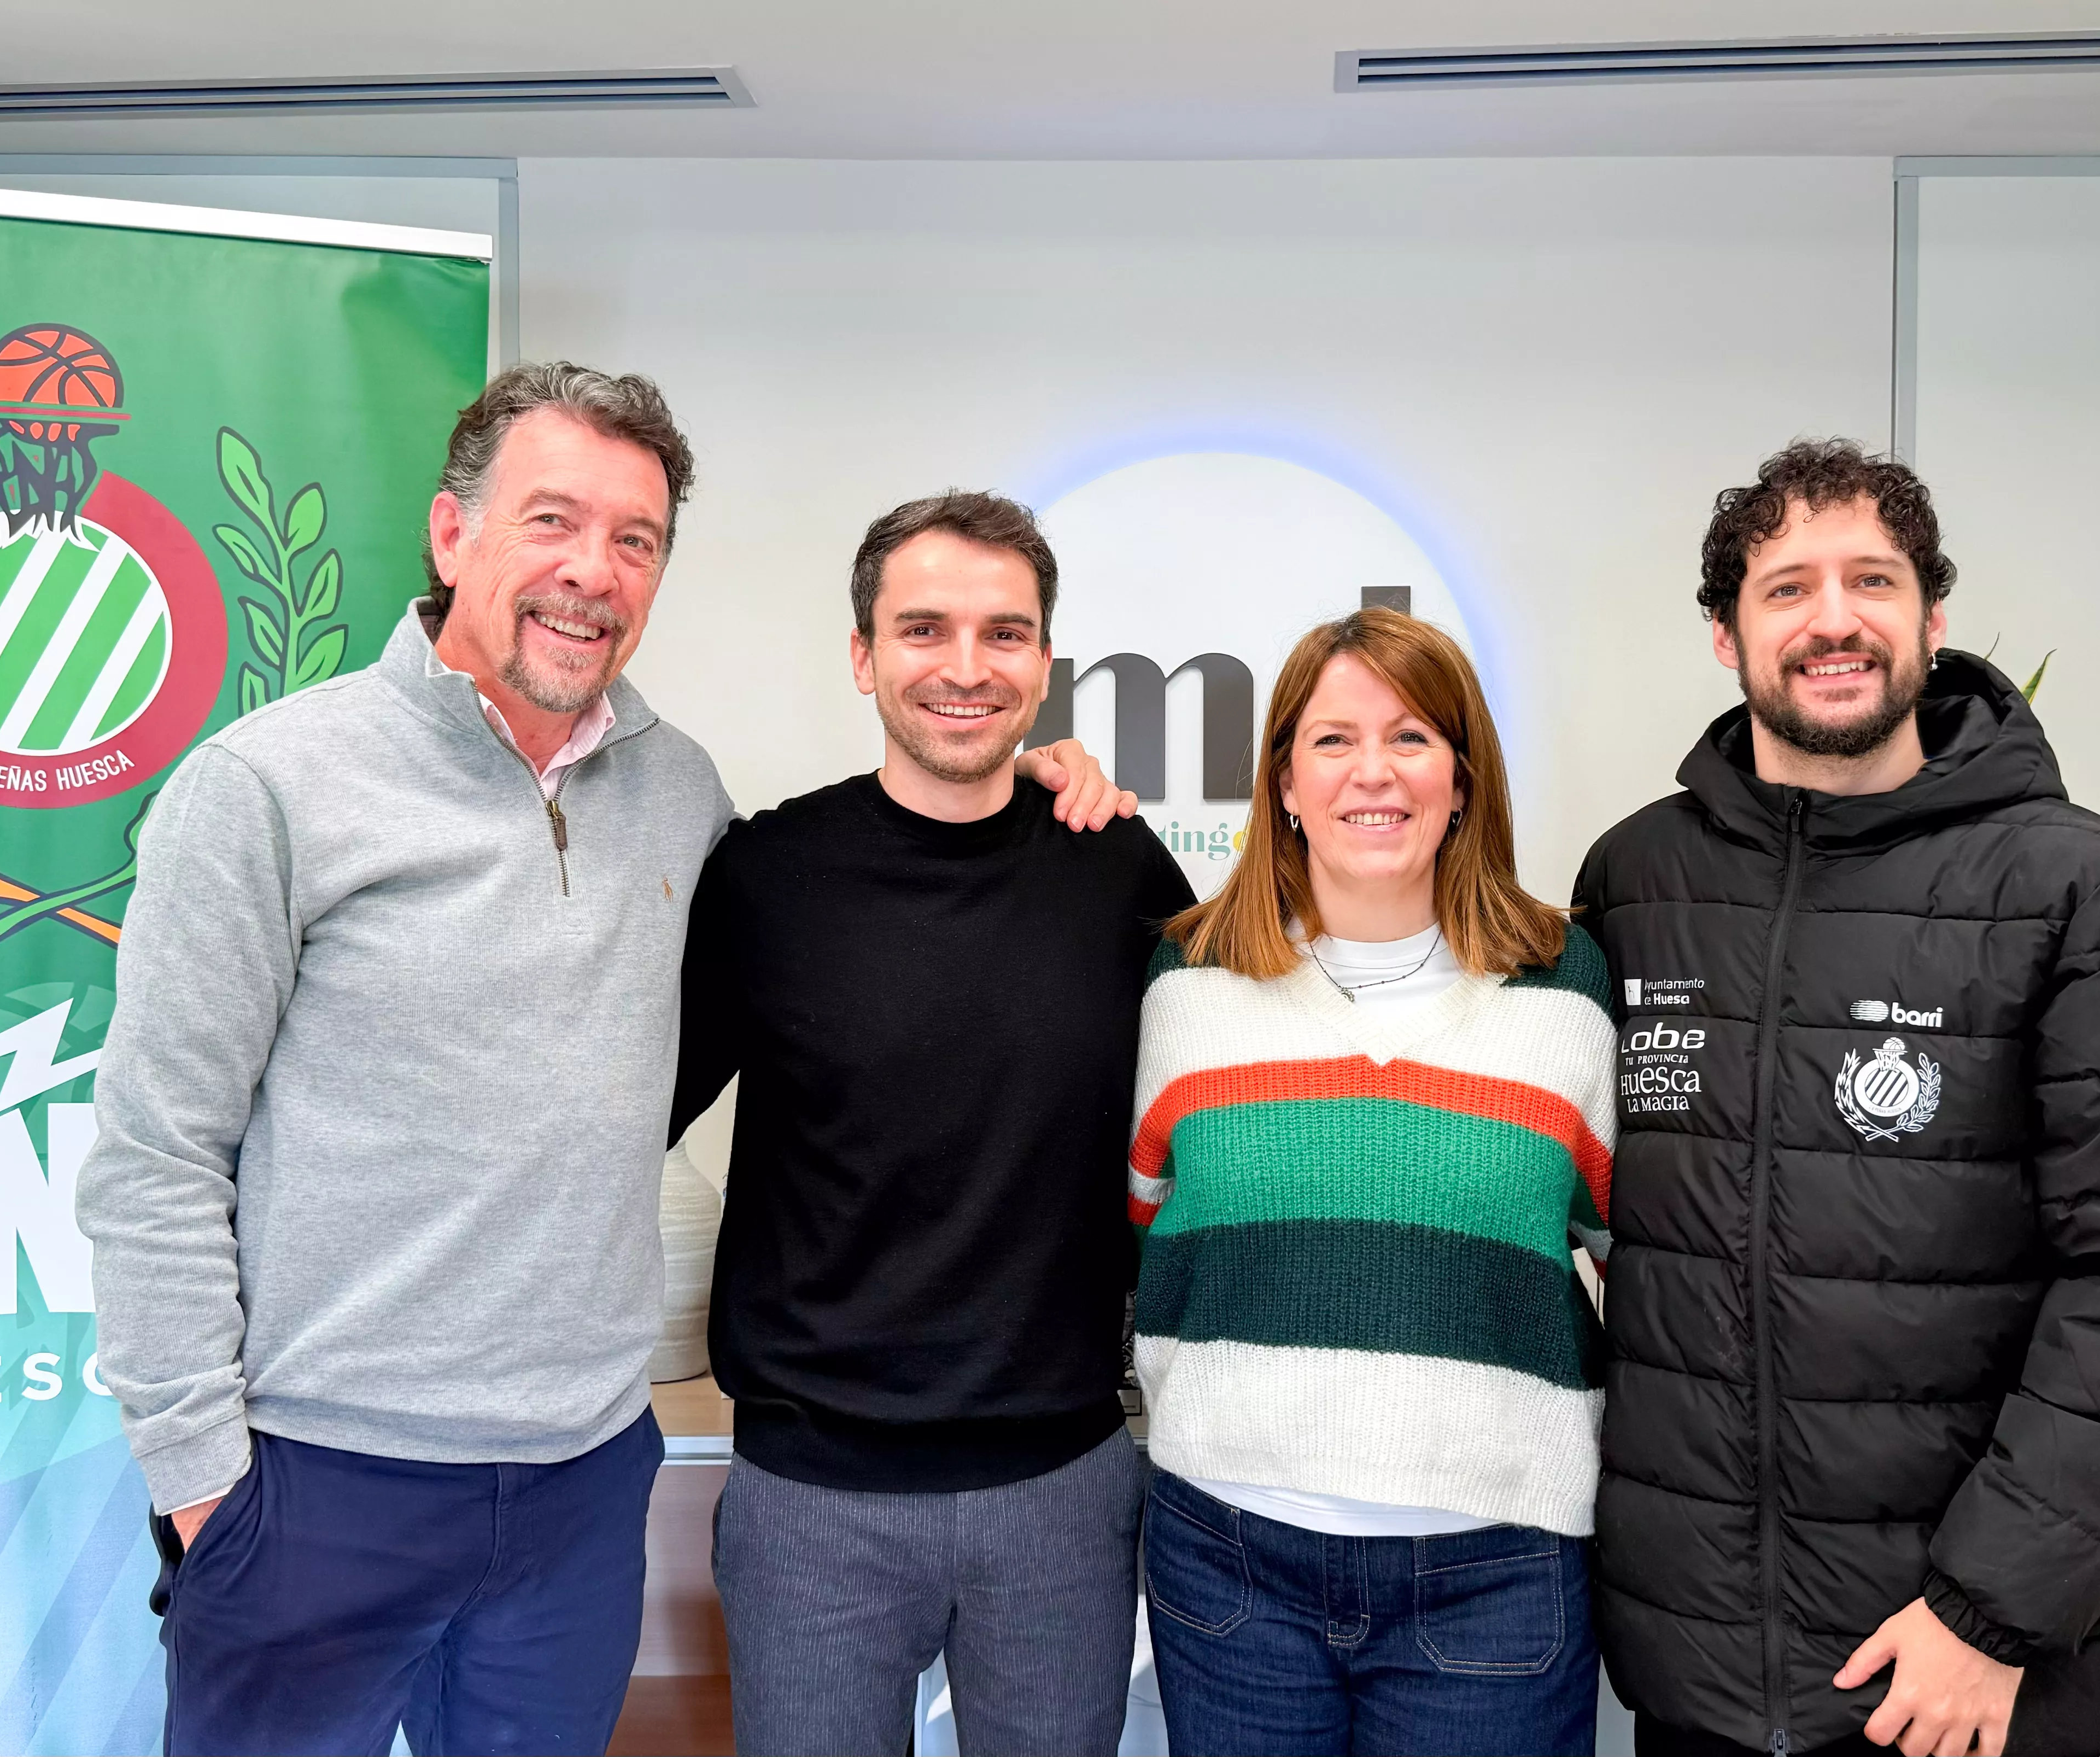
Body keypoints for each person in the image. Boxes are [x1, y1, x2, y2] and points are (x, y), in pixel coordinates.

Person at [78, 371, 1127, 1756]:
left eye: (636, 540)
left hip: (579, 1480)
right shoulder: (269, 787)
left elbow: (804, 989)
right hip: (318, 1478)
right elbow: (156, 1154)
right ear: (453, 536)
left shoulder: (676, 792)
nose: (594, 571)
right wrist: (202, 1477)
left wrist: (1055, 790)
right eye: (554, 520)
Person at [1574, 440, 2100, 1757]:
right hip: (1700, 1675)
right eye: (1788, 588)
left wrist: (1989, 1613)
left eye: (1872, 580)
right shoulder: (1638, 879)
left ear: (1932, 615)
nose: (1835, 619)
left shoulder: (2089, 897)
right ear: (1727, 635)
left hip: (1965, 1683)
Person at [668, 491, 1194, 1757]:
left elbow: (1228, 1115)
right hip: (810, 1499)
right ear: (862, 656)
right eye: (923, 629)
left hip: (1062, 1487)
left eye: (1004, 634)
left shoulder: (1120, 870)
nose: (966, 668)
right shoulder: (764, 876)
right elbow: (618, 1115)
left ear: (1046, 663)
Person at [1128, 606, 1618, 1757]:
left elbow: (1625, 1246)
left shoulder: (1567, 979)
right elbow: (1150, 1236)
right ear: (1284, 782)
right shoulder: (1186, 976)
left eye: (1410, 737)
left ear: (1463, 776)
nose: (1374, 772)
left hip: (1497, 1570)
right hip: (1230, 1562)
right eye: (1333, 740)